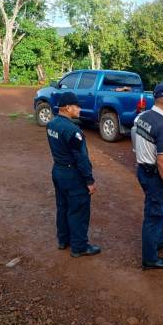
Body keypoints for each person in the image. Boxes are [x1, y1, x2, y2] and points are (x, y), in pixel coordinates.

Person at [134, 82, 163, 270]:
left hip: (143, 170)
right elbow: (162, 161)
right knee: (154, 215)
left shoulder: (143, 116)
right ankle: (150, 258)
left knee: (159, 208)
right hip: (155, 175)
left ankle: (158, 240)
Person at [46, 92, 101, 258]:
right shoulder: (72, 130)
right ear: (67, 108)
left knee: (63, 207)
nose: (79, 109)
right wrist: (89, 180)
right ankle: (79, 247)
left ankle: (63, 240)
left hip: (58, 170)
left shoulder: (52, 124)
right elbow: (81, 158)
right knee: (78, 210)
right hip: (72, 174)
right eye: (77, 106)